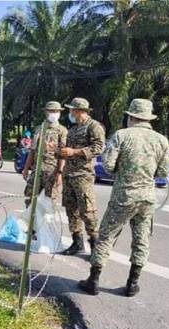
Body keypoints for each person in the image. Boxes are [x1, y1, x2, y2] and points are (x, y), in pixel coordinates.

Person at [79, 98, 169, 297]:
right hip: (147, 198)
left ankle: (93, 280)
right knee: (142, 238)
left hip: (123, 196)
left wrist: (123, 173)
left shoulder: (121, 135)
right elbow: (164, 171)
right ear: (148, 118)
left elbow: (108, 166)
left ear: (130, 116)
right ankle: (132, 283)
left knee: (106, 236)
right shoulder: (161, 140)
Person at [58, 97, 105, 255]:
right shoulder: (72, 129)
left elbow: (98, 147)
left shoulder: (94, 126)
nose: (70, 112)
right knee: (71, 210)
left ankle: (95, 245)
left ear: (79, 111)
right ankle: (77, 242)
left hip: (83, 175)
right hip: (69, 174)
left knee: (87, 210)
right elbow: (66, 151)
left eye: (72, 109)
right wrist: (57, 150)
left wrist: (75, 152)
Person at [22, 101, 68, 208]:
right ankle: (31, 223)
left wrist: (60, 173)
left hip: (52, 171)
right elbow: (33, 150)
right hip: (37, 170)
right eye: (51, 111)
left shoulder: (62, 131)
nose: (54, 113)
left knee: (50, 203)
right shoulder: (39, 129)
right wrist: (26, 168)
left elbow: (63, 154)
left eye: (56, 111)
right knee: (29, 200)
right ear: (46, 112)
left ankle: (46, 224)